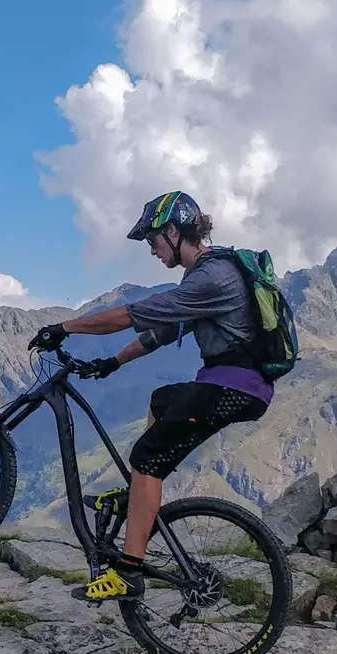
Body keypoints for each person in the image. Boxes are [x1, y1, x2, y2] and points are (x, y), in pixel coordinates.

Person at [27, 190, 275, 603]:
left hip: (232, 386)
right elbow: (159, 333)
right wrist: (114, 362)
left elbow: (131, 315)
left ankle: (128, 572)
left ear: (174, 232)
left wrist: (66, 328)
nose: (153, 251)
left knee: (147, 459)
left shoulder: (213, 278)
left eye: (153, 242)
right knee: (161, 401)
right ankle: (140, 497)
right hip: (230, 384)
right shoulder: (207, 277)